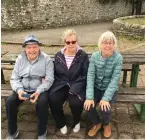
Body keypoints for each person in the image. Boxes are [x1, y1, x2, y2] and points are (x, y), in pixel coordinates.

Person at [6, 35, 54, 139]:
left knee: (42, 103)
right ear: (25, 48)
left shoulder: (47, 60)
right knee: (10, 102)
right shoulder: (20, 59)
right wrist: (19, 90)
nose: (32, 50)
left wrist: (38, 91)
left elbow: (49, 79)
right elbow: (14, 78)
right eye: (29, 47)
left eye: (34, 47)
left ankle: (42, 132)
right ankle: (13, 132)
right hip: (22, 89)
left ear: (39, 47)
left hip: (39, 89)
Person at [48, 29, 89, 134]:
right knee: (53, 99)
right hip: (61, 84)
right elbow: (55, 73)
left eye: (73, 42)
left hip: (76, 84)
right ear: (64, 43)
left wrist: (75, 87)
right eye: (68, 42)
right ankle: (61, 123)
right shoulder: (58, 55)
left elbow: (85, 75)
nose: (71, 44)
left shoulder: (83, 56)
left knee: (75, 102)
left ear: (77, 42)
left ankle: (76, 121)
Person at [84, 31, 123, 138]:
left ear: (114, 44)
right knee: (88, 106)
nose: (108, 45)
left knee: (105, 108)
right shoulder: (95, 56)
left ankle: (106, 124)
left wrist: (106, 98)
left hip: (109, 89)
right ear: (100, 44)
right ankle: (97, 123)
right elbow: (90, 76)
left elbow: (115, 80)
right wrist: (89, 97)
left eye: (111, 43)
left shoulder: (118, 58)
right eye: (105, 42)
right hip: (96, 87)